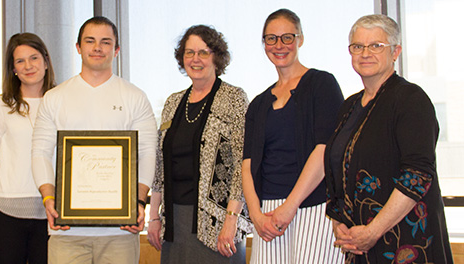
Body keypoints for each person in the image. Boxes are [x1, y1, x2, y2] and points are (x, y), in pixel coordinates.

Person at [326, 14, 452, 263]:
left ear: (396, 52)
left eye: (376, 46)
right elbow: (337, 169)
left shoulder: (411, 99)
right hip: (360, 244)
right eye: (358, 46)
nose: (365, 53)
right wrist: (338, 221)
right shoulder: (349, 107)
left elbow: (417, 175)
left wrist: (373, 231)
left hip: (406, 241)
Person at [31, 16, 157, 263]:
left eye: (105, 42)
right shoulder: (55, 98)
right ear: (78, 47)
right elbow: (40, 152)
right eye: (90, 41)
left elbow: (147, 152)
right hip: (66, 232)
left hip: (120, 232)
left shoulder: (135, 97)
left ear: (116, 50)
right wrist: (49, 198)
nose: (97, 47)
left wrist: (139, 202)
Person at [241, 9, 346, 264]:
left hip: (314, 206)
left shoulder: (322, 84)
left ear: (300, 39)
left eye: (287, 37)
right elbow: (247, 165)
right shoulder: (258, 103)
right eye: (271, 39)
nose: (279, 45)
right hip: (267, 212)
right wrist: (255, 215)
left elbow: (325, 150)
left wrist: (290, 206)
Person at [146, 25, 252, 263]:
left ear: (216, 56)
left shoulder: (234, 98)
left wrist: (232, 219)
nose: (195, 59)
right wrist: (153, 217)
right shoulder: (173, 103)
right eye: (189, 53)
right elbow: (161, 165)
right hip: (174, 223)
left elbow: (241, 165)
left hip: (217, 224)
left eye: (203, 52)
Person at [0, 33, 56, 264]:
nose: (28, 66)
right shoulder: (1, 104)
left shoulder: (60, 102)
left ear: (45, 61)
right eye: (20, 61)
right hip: (6, 211)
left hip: (51, 212)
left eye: (34, 58)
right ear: (13, 68)